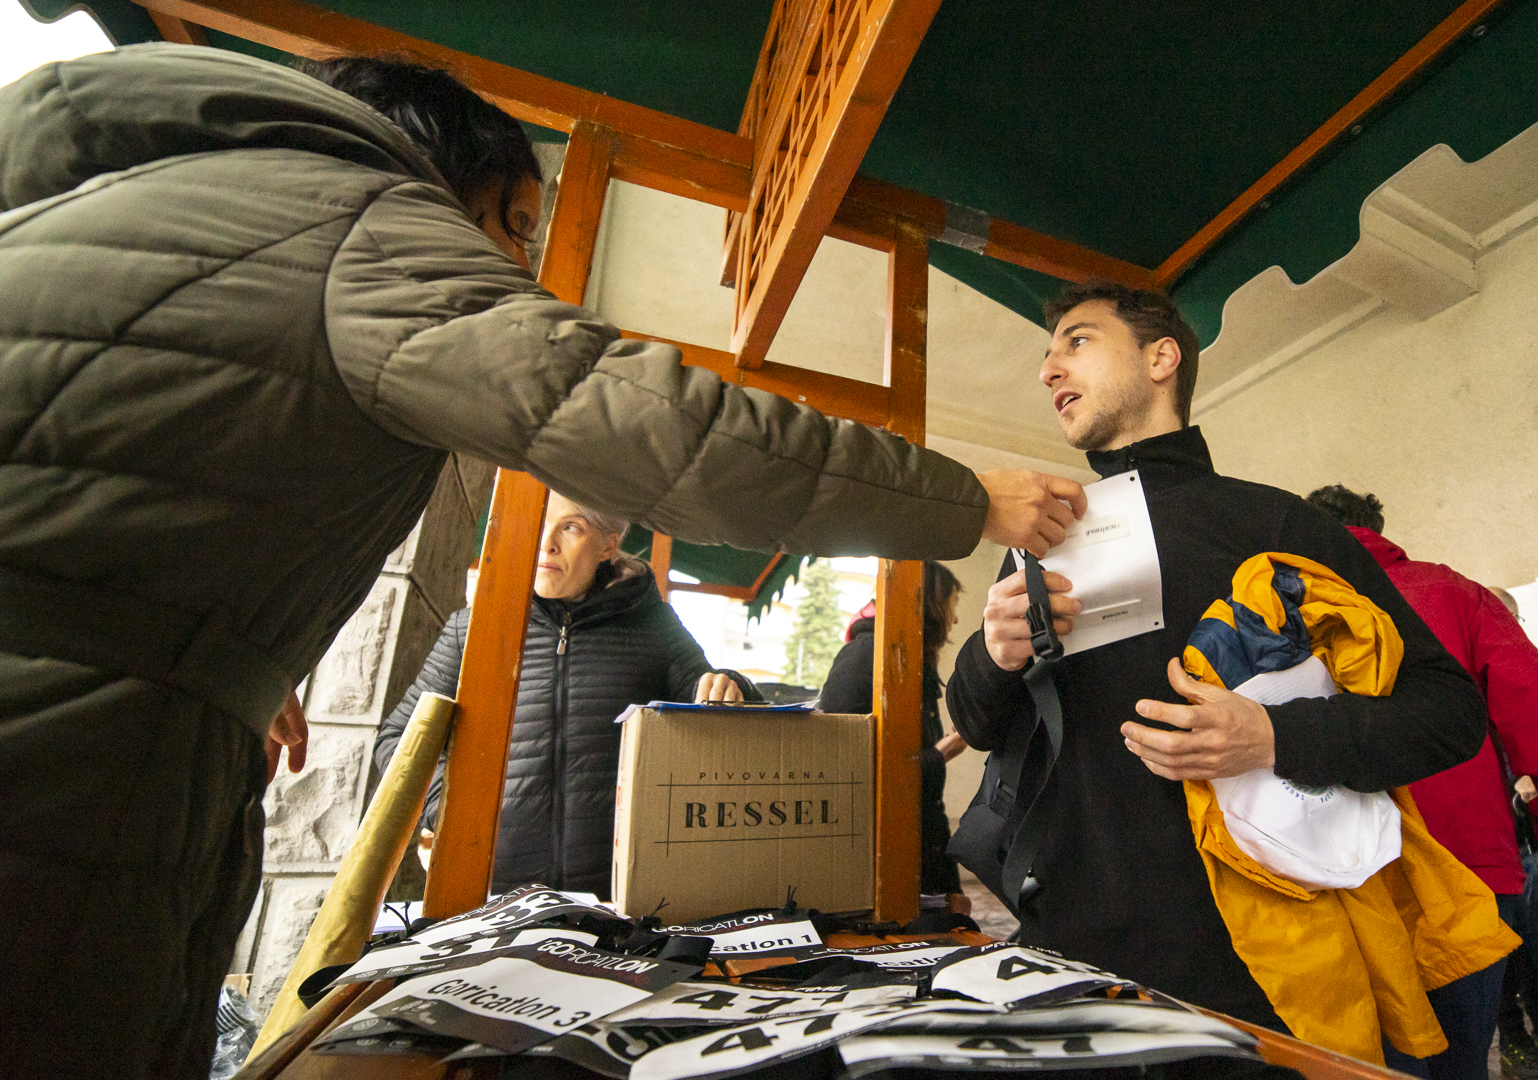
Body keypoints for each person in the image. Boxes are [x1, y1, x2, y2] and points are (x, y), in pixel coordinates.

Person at [0, 46, 1085, 1076]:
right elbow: (663, 431)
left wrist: (228, 650)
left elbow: (143, 467)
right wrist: (963, 496)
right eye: (516, 228)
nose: (519, 267)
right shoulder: (366, 225)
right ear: (444, 175)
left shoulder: (141, 212)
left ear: (613, 546)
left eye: (578, 527)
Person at [946, 281, 1502, 1064]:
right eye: (1047, 354)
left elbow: (1448, 713)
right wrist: (992, 653)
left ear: (1161, 358)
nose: (1047, 371)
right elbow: (977, 724)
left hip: (1259, 972)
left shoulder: (1280, 522)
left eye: (1077, 341)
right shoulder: (1042, 542)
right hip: (1073, 955)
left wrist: (1273, 737)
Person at [1304, 485, 1538, 1080]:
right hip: (1468, 865)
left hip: (1342, 878)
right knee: (1460, 1060)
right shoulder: (1451, 593)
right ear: (1377, 528)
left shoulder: (1276, 608)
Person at [373, 494, 743, 899]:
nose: (546, 543)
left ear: (608, 544)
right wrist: (448, 807)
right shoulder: (474, 627)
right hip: (490, 894)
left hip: (620, 896)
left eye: (570, 527)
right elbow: (397, 740)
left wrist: (728, 684)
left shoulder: (655, 625)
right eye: (539, 525)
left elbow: (715, 700)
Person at [817, 562, 970, 913]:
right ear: (931, 604)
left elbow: (923, 797)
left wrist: (947, 886)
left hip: (917, 859)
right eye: (952, 604)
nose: (956, 618)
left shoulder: (906, 657)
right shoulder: (866, 657)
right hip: (875, 866)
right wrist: (942, 752)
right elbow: (849, 772)